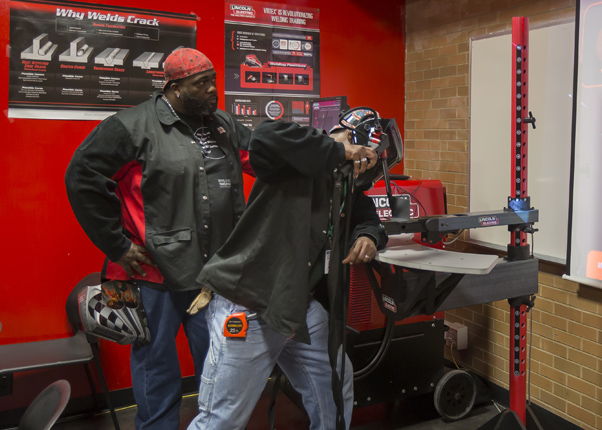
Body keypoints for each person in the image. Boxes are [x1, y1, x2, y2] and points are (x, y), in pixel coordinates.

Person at [65, 48, 252, 430]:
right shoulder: (131, 126)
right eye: (202, 83)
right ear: (175, 87)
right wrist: (118, 245)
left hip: (213, 271)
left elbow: (261, 154)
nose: (213, 90)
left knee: (220, 360)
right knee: (156, 364)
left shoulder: (222, 124)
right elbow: (82, 177)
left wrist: (323, 152)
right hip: (153, 271)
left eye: (213, 80)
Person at [186, 116, 388, 430]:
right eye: (369, 159)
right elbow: (265, 136)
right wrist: (336, 148)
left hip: (300, 305)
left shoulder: (344, 183)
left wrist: (368, 236)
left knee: (335, 384)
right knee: (223, 419)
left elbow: (368, 218)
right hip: (252, 302)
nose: (368, 170)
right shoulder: (296, 159)